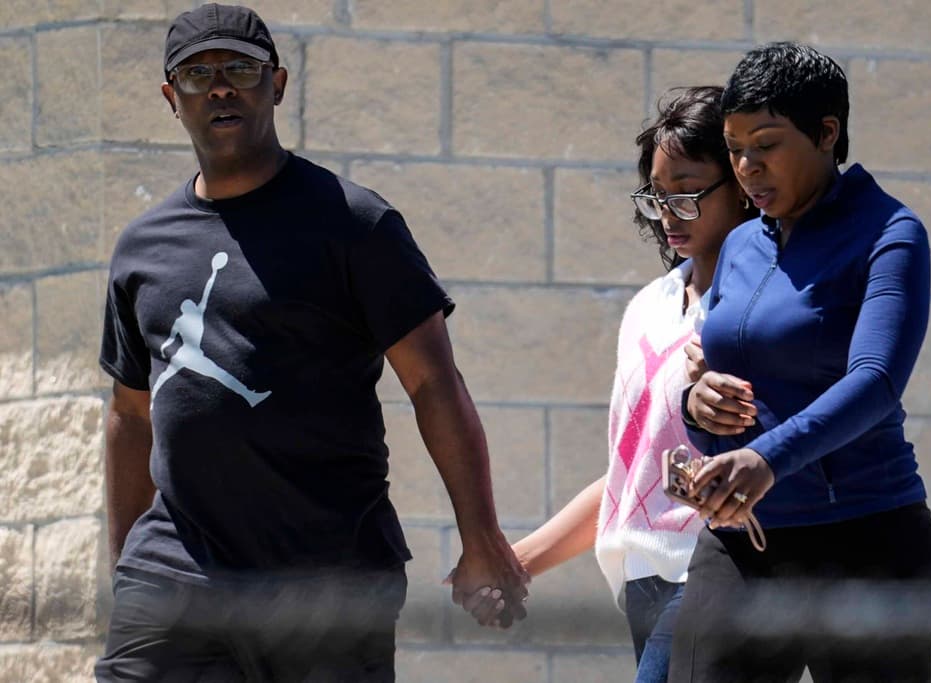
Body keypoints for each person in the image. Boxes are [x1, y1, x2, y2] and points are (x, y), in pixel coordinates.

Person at [94, 4, 527, 681]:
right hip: (176, 572)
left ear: (278, 84)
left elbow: (433, 383)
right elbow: (130, 412)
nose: (220, 87)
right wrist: (127, 566)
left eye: (241, 69)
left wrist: (481, 538)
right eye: (198, 74)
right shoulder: (141, 248)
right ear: (171, 96)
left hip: (328, 580)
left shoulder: (355, 223)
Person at [668, 42, 931, 682]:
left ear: (826, 133)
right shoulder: (740, 244)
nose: (747, 167)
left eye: (766, 144)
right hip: (743, 542)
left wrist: (766, 459)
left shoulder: (890, 234)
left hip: (866, 545)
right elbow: (719, 376)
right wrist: (697, 406)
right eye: (734, 149)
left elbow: (876, 381)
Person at [509, 87, 758, 683]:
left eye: (687, 194)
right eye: (657, 195)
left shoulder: (761, 310)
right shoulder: (650, 306)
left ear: (743, 186)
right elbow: (632, 474)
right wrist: (516, 563)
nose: (668, 213)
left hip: (717, 569)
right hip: (638, 578)